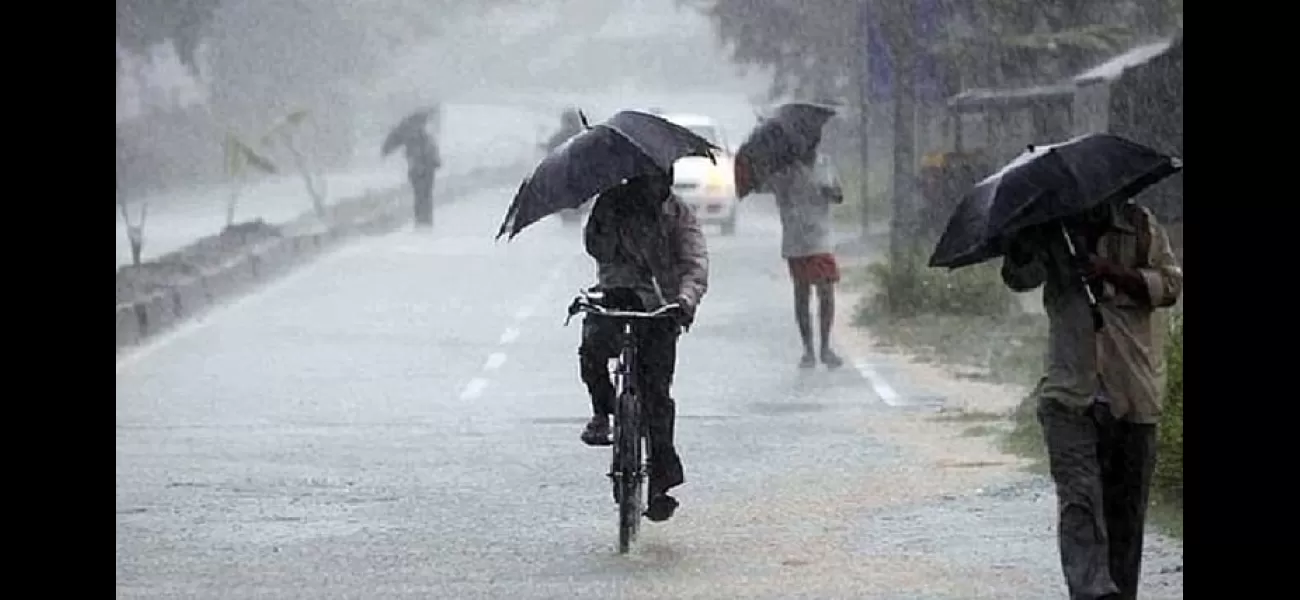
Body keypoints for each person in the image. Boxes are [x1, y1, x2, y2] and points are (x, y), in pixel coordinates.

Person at [1001, 199, 1183, 600]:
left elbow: (1170, 285)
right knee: (1080, 503)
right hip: (1070, 394)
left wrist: (1112, 272)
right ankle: (1092, 593)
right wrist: (1019, 243)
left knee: (1126, 518)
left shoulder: (1140, 224)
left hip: (1133, 392)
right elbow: (1019, 277)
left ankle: (1118, 592)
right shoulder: (1053, 228)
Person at [578, 168, 709, 523]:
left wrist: (684, 300)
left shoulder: (678, 214)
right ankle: (603, 413)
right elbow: (594, 247)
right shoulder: (612, 202)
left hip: (663, 308)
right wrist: (610, 219)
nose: (652, 187)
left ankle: (660, 484)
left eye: (659, 180)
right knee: (591, 349)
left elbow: (695, 263)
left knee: (658, 397)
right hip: (616, 297)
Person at [767, 146, 846, 369]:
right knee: (802, 294)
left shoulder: (824, 162)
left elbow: (839, 195)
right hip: (796, 238)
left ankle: (825, 347)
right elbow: (777, 194)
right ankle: (808, 350)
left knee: (826, 291)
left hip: (821, 237)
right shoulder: (783, 169)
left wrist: (828, 190)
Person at [404, 120, 441, 228]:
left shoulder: (412, 141)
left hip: (420, 174)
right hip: (425, 174)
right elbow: (434, 156)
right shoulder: (428, 140)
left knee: (420, 197)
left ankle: (422, 220)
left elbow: (409, 156)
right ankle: (425, 220)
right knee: (424, 196)